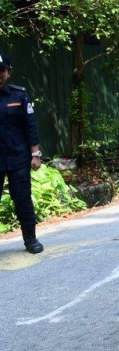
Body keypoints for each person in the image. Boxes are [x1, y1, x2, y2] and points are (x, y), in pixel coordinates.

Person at [0, 52, 43, 254]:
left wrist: (36, 154)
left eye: (2, 70)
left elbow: (30, 126)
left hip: (17, 157)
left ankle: (31, 240)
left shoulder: (19, 95)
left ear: (8, 72)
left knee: (22, 198)